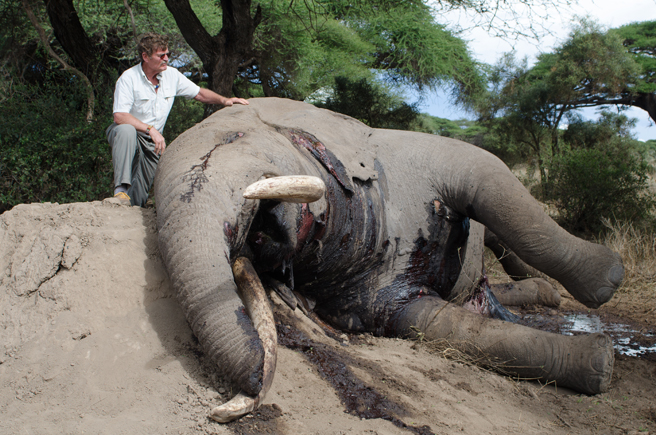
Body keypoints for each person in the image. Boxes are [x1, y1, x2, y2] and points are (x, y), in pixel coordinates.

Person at [107, 32, 248, 206]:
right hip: (133, 133)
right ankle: (120, 190)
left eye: (168, 54)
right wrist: (150, 130)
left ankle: (130, 210)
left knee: (140, 194)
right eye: (161, 55)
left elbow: (199, 93)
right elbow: (120, 116)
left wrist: (225, 100)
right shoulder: (128, 78)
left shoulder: (172, 76)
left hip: (153, 141)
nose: (166, 59)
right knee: (125, 130)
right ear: (145, 56)